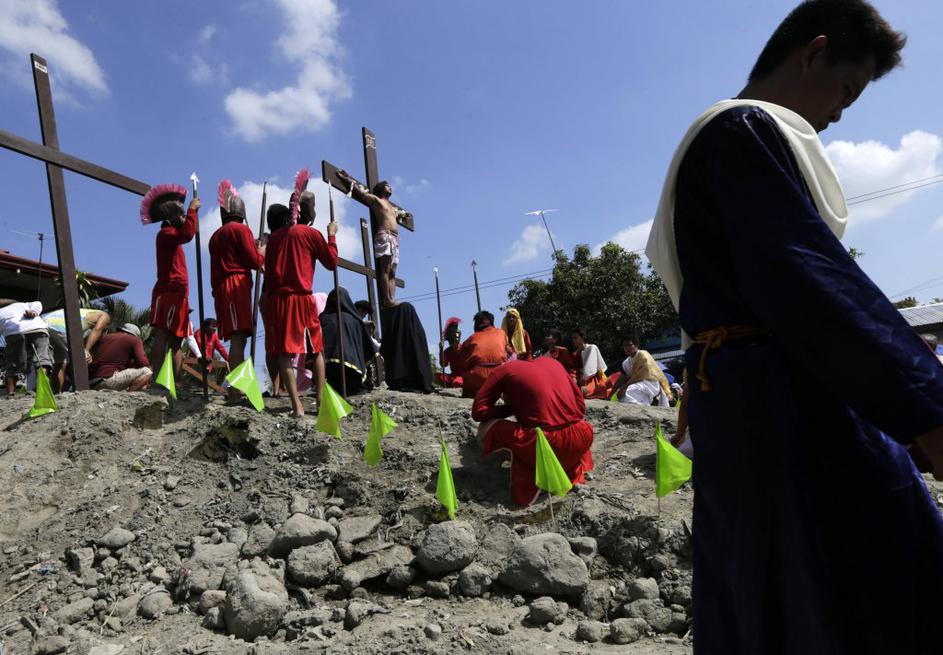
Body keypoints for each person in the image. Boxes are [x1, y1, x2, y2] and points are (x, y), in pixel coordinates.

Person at [644, 2, 943, 652]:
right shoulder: (742, 130)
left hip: (740, 407)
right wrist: (930, 409)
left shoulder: (716, 137)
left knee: (770, 594)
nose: (840, 113)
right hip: (787, 404)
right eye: (846, 90)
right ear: (813, 53)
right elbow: (813, 287)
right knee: (882, 578)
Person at [472, 357, 594, 506]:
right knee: (569, 424)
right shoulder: (554, 362)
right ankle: (566, 466)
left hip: (543, 444)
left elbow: (478, 412)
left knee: (485, 428)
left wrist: (512, 407)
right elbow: (580, 407)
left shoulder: (504, 370)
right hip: (580, 438)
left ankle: (523, 466)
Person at [263, 191, 338, 416]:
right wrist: (331, 236)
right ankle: (320, 400)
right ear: (308, 211)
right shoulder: (311, 234)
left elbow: (268, 272)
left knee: (284, 352)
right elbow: (331, 262)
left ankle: (297, 406)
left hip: (279, 300)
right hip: (302, 298)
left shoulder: (275, 237)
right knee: (316, 349)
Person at [209, 180, 265, 400]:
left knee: (238, 336)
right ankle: (236, 388)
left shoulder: (215, 236)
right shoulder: (241, 230)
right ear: (242, 213)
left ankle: (239, 385)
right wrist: (261, 252)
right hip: (235, 286)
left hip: (222, 287)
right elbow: (253, 260)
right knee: (238, 337)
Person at [142, 183, 199, 381]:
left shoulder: (171, 237)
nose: (184, 219)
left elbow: (187, 232)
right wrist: (192, 210)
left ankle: (175, 383)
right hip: (169, 289)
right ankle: (158, 378)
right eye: (181, 216)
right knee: (163, 335)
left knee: (176, 341)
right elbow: (188, 233)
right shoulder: (166, 234)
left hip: (176, 291)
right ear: (171, 218)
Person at [336, 171, 412, 308]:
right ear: (381, 189)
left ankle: (392, 299)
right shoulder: (377, 201)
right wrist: (347, 179)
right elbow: (361, 193)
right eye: (387, 185)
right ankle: (387, 300)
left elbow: (401, 215)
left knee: (393, 271)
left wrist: (405, 215)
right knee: (385, 269)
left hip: (395, 239)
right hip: (385, 235)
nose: (390, 186)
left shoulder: (393, 208)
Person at [320, 286, 378, 395]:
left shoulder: (322, 319)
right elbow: (367, 348)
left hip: (328, 372)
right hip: (352, 372)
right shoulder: (356, 321)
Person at [42, 307, 111, 391]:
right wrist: (86, 350)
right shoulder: (105, 316)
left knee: (60, 363)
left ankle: (56, 393)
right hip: (61, 328)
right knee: (81, 359)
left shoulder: (83, 313)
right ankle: (82, 390)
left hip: (44, 323)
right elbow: (98, 329)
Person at [0, 300, 52, 396]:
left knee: (13, 364)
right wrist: (34, 311)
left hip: (14, 332)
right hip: (37, 328)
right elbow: (38, 303)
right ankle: (41, 389)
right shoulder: (21, 305)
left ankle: (11, 394)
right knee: (42, 359)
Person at [458, 311, 508, 398]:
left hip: (477, 379)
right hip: (499, 378)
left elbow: (461, 361)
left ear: (476, 324)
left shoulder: (471, 338)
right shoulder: (502, 333)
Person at [609, 337, 672, 406]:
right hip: (637, 383)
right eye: (625, 346)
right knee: (623, 394)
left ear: (636, 345)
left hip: (650, 383)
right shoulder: (626, 363)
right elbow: (622, 377)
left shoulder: (643, 354)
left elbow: (643, 374)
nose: (627, 348)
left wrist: (625, 386)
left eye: (629, 345)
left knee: (631, 390)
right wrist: (611, 394)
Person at [89, 324, 151, 391]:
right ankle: (128, 394)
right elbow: (143, 363)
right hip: (108, 380)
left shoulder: (104, 337)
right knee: (147, 371)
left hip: (91, 381)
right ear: (135, 335)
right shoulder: (134, 339)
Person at [571, 329, 608, 398]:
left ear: (582, 338)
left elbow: (590, 369)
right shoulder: (575, 354)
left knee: (584, 392)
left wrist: (583, 383)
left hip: (593, 378)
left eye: (575, 338)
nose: (573, 340)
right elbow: (574, 368)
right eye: (572, 338)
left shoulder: (592, 348)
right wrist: (573, 377)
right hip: (580, 378)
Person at [436, 317, 464, 388]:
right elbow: (443, 364)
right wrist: (441, 349)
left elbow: (457, 338)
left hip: (463, 376)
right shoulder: (448, 351)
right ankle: (452, 384)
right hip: (453, 376)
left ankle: (456, 384)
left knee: (457, 382)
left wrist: (456, 340)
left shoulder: (464, 347)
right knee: (435, 376)